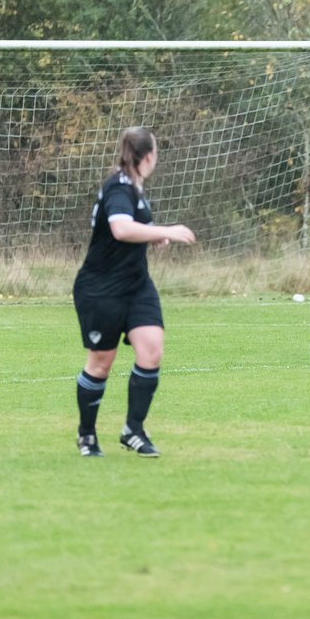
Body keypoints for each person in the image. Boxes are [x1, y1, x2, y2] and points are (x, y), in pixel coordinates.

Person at [71, 127, 196, 458]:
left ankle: (133, 430)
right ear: (149, 157)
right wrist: (165, 230)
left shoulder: (136, 190)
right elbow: (120, 228)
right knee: (101, 364)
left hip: (137, 285)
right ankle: (86, 435)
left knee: (151, 350)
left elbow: (131, 229)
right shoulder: (119, 187)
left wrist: (152, 236)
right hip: (101, 288)